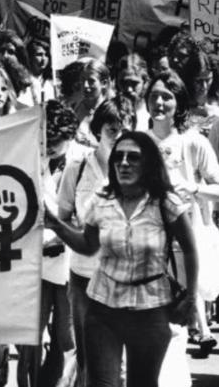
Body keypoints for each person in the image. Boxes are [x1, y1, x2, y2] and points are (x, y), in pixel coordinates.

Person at [47, 130, 199, 387]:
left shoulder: (165, 202)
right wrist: (56, 225)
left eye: (133, 157)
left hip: (150, 309)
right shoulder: (101, 200)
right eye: (118, 157)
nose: (124, 163)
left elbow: (190, 248)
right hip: (103, 308)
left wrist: (191, 297)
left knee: (142, 383)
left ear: (148, 162)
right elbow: (88, 246)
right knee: (101, 383)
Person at [57, 96, 135, 387]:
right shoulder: (77, 168)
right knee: (88, 361)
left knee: (122, 365)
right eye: (112, 129)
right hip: (84, 279)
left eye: (125, 130)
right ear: (98, 131)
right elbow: (63, 216)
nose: (119, 136)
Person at [145, 70, 219, 356]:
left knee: (176, 326)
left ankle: (199, 331)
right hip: (147, 244)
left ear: (179, 102)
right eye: (154, 96)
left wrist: (194, 189)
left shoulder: (194, 142)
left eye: (166, 96)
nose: (159, 103)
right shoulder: (138, 142)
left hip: (186, 244)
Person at [17, 100, 84, 387]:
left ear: (69, 136)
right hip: (35, 260)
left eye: (55, 141)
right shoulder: (29, 157)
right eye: (44, 140)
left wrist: (63, 234)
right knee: (28, 336)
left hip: (70, 260)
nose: (48, 147)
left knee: (68, 338)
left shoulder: (85, 161)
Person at [74, 59, 112, 148]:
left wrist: (92, 144)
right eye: (83, 80)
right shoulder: (75, 108)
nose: (85, 85)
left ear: (104, 83)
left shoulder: (111, 111)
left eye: (91, 81)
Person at [115, 54, 150, 131]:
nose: (129, 89)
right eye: (123, 83)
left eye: (134, 83)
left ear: (144, 82)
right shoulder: (109, 110)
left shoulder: (151, 113)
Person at [26, 38, 54, 104]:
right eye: (39, 55)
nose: (43, 59)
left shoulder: (51, 82)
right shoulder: (24, 82)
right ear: (30, 57)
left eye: (46, 55)